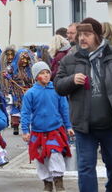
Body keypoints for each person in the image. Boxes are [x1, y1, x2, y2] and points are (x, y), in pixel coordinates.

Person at [55, 17, 112, 192]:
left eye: (87, 34)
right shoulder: (70, 59)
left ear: (98, 36)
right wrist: (71, 80)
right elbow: (58, 86)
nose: (82, 38)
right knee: (85, 168)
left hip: (111, 123)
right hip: (84, 126)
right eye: (80, 34)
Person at [21, 62, 73, 192]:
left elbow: (64, 109)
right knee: (41, 159)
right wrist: (25, 130)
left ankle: (59, 183)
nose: (46, 75)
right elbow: (25, 113)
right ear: (35, 76)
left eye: (47, 72)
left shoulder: (57, 90)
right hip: (38, 132)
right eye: (42, 73)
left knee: (55, 155)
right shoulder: (30, 94)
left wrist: (68, 126)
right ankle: (47, 184)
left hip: (55, 130)